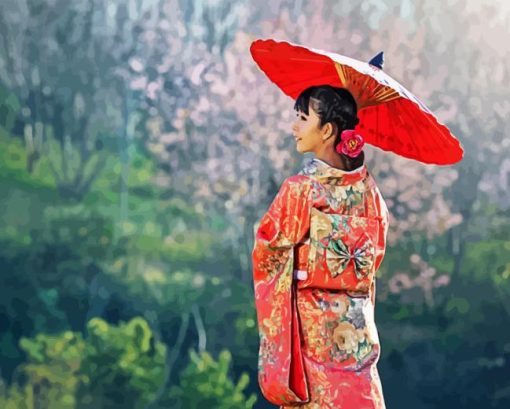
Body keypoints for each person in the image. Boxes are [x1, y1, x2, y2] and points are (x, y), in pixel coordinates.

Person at [252, 85, 390, 409]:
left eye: (302, 118)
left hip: (312, 337)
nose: (294, 127)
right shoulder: (370, 194)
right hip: (356, 337)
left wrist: (301, 269)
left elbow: (267, 253)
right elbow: (373, 260)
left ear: (327, 130)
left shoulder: (300, 191)